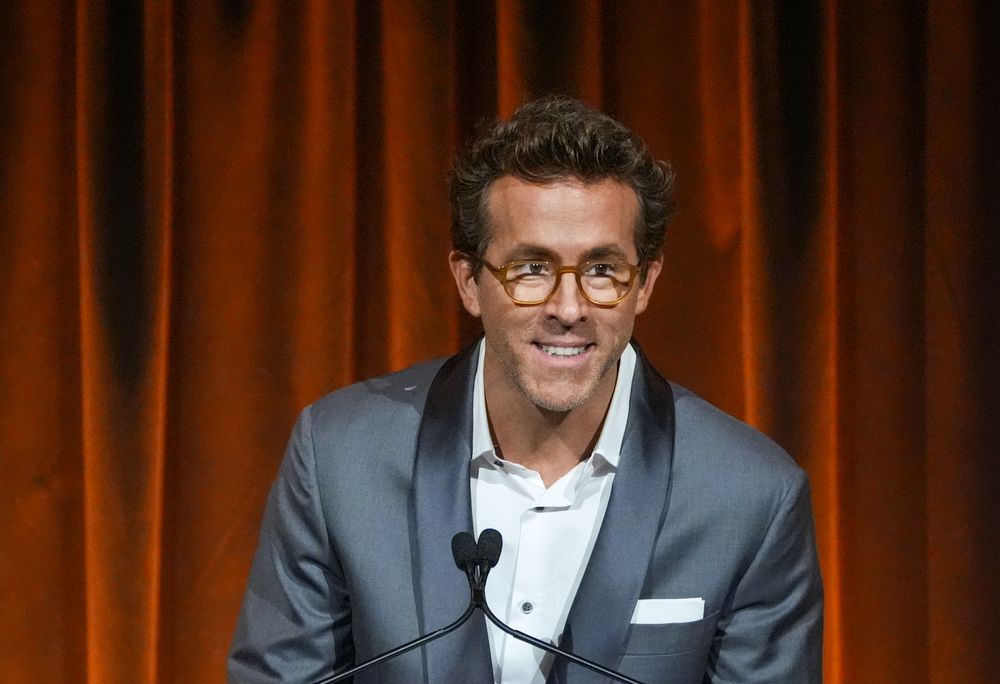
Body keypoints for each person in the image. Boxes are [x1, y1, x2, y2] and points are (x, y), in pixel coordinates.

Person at [228, 96, 823, 683]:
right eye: (531, 269)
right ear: (469, 282)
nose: (569, 308)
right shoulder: (341, 459)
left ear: (644, 284)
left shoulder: (751, 497)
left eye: (601, 270)